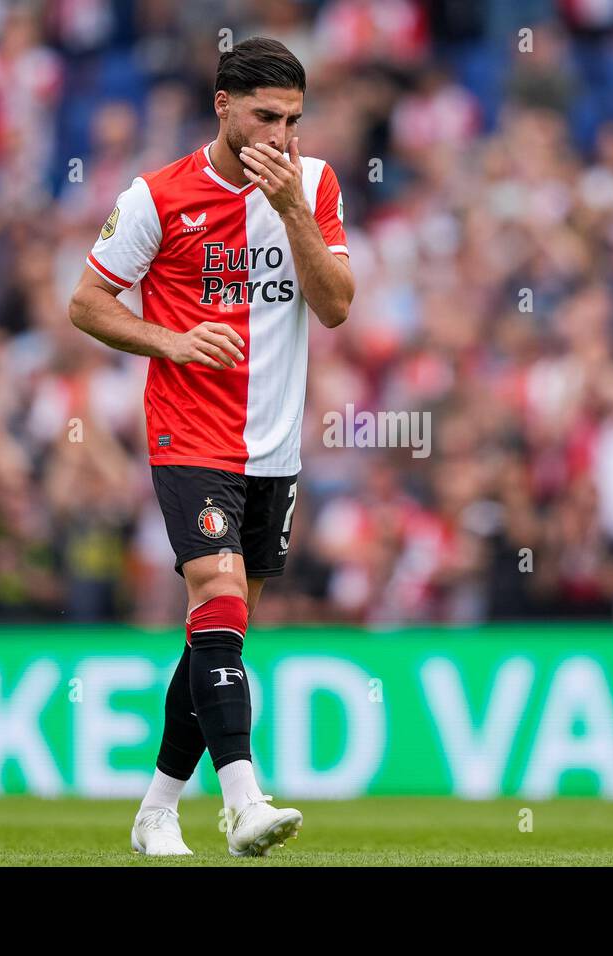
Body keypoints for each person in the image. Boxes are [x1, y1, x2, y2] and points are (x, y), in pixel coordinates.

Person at [67, 37, 354, 855]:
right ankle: (243, 800)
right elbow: (87, 303)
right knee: (216, 588)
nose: (282, 137)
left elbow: (334, 308)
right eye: (266, 117)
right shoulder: (158, 197)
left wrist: (294, 206)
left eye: (295, 120)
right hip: (189, 434)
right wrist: (172, 341)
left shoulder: (318, 185)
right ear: (222, 105)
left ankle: (157, 809)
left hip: (275, 448)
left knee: (216, 630)